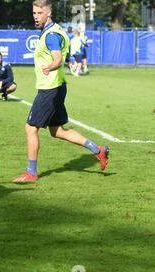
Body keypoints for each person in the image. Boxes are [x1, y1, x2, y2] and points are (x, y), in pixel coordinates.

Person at [12, 0, 109, 182]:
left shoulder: (50, 35)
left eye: (39, 13)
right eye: (34, 12)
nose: (35, 16)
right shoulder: (56, 30)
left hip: (49, 89)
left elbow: (57, 58)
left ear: (48, 14)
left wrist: (51, 66)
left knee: (30, 128)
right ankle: (98, 150)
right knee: (57, 131)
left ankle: (31, 173)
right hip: (58, 86)